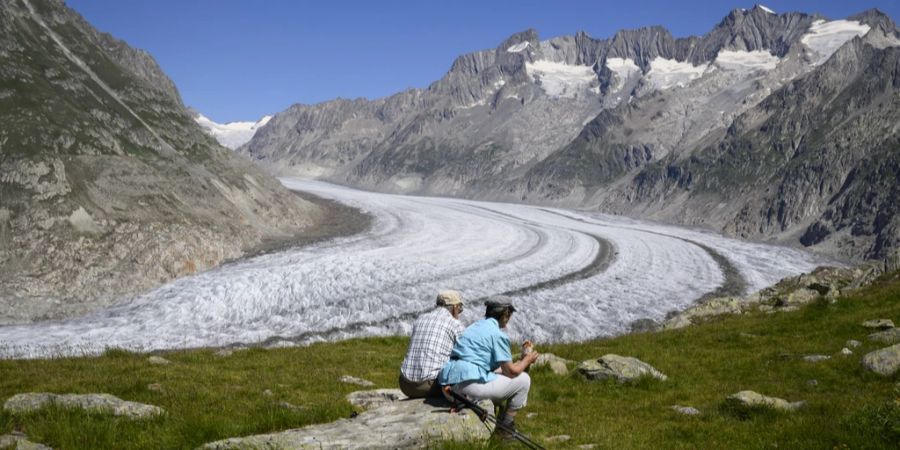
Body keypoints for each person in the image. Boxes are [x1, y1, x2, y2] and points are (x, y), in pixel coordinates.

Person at [438, 295, 539, 437]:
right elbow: (511, 372)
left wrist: (521, 361)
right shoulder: (497, 335)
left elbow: (498, 369)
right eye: (509, 313)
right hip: (468, 389)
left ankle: (500, 419)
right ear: (505, 314)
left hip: (448, 387)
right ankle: (506, 429)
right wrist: (527, 360)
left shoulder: (474, 326)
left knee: (500, 376)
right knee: (524, 380)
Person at [399, 290, 465, 398]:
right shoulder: (455, 324)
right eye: (460, 309)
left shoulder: (420, 319)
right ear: (454, 307)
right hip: (429, 386)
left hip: (404, 384)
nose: (459, 313)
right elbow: (466, 353)